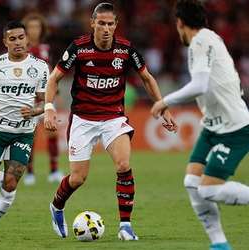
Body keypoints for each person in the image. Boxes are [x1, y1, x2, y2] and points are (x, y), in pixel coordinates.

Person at [44, 2, 177, 241]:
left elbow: (147, 78)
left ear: (116, 25)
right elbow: (54, 79)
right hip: (83, 119)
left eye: (110, 24)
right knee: (77, 178)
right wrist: (49, 107)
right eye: (101, 23)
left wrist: (162, 106)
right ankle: (56, 206)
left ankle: (125, 226)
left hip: (113, 117)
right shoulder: (79, 48)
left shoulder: (126, 50)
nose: (106, 28)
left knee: (123, 165)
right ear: (92, 23)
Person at [151, 1, 249, 250]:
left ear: (180, 23)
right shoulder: (210, 38)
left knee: (207, 190)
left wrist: (165, 101)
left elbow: (200, 85)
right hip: (213, 126)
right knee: (192, 183)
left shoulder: (200, 41)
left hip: (233, 128)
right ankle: (220, 244)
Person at [0, 20, 49, 238]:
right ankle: (8, 174)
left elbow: (43, 101)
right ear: (5, 41)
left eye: (21, 38)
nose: (17, 42)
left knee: (11, 183)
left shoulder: (40, 67)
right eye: (12, 39)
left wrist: (35, 111)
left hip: (23, 133)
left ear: (27, 39)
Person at [22, 13, 63, 185]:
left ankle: (53, 170)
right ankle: (29, 173)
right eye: (31, 27)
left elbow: (51, 72)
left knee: (52, 131)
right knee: (29, 136)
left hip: (45, 98)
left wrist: (56, 94)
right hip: (27, 98)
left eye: (37, 27)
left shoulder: (45, 48)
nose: (34, 31)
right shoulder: (20, 48)